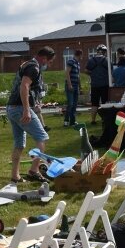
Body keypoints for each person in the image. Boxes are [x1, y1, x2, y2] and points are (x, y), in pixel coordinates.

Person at [7, 46, 55, 183]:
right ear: (44, 58)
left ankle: (15, 176)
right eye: (50, 62)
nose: (49, 65)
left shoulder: (27, 64)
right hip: (20, 108)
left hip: (11, 107)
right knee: (42, 137)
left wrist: (34, 104)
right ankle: (34, 171)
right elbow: (24, 86)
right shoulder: (34, 68)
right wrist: (27, 110)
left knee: (19, 143)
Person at [85, 44, 110, 124]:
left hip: (94, 85)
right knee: (104, 103)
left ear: (97, 51)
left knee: (94, 104)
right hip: (105, 85)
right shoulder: (107, 60)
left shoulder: (91, 60)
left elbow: (86, 70)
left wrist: (92, 74)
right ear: (104, 52)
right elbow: (111, 71)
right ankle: (105, 119)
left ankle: (93, 120)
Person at [63, 48, 82, 127]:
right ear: (80, 55)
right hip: (70, 85)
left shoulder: (78, 64)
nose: (82, 57)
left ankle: (72, 122)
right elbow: (67, 73)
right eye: (82, 55)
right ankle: (66, 121)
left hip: (76, 86)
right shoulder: (71, 61)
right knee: (70, 104)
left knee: (74, 105)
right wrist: (69, 84)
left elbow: (78, 76)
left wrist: (80, 86)